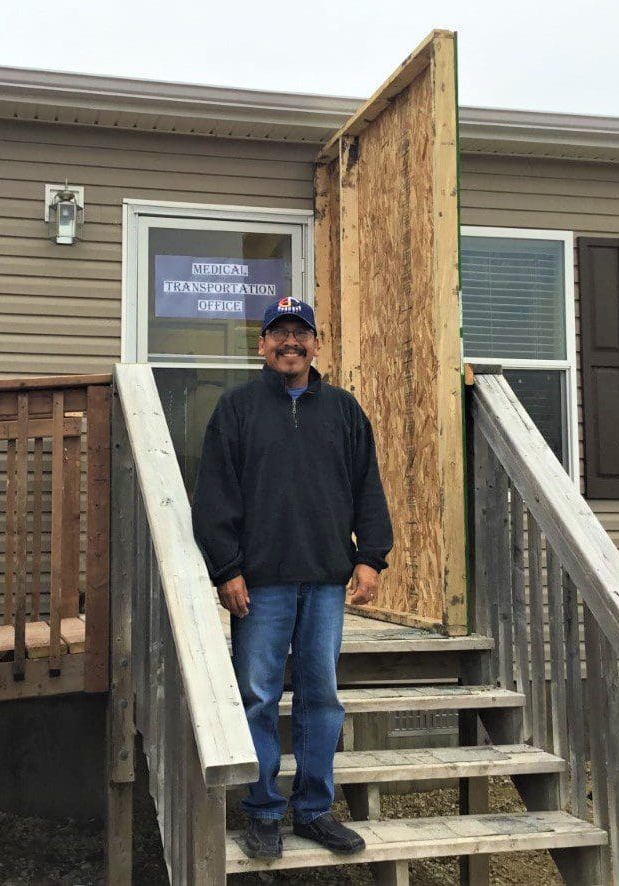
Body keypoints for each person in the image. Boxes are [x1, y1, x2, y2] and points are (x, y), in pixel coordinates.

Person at [191, 295, 393, 859]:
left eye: (300, 334)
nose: (290, 343)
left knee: (320, 698)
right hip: (259, 584)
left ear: (316, 344)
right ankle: (261, 811)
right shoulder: (236, 410)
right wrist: (226, 568)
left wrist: (371, 556)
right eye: (278, 334)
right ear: (262, 346)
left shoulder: (345, 411)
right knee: (256, 696)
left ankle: (313, 810)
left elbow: (367, 488)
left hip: (326, 580)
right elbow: (213, 498)